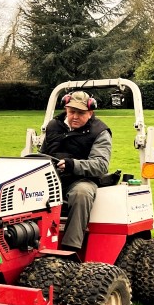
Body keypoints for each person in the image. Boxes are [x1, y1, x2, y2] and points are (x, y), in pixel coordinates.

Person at [41, 90, 112, 251]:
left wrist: (73, 165)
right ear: (66, 109)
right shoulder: (53, 126)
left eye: (81, 113)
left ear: (90, 112)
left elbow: (100, 165)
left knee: (81, 193)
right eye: (72, 111)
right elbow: (42, 154)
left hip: (82, 179)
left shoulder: (100, 132)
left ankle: (70, 247)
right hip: (52, 178)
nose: (75, 116)